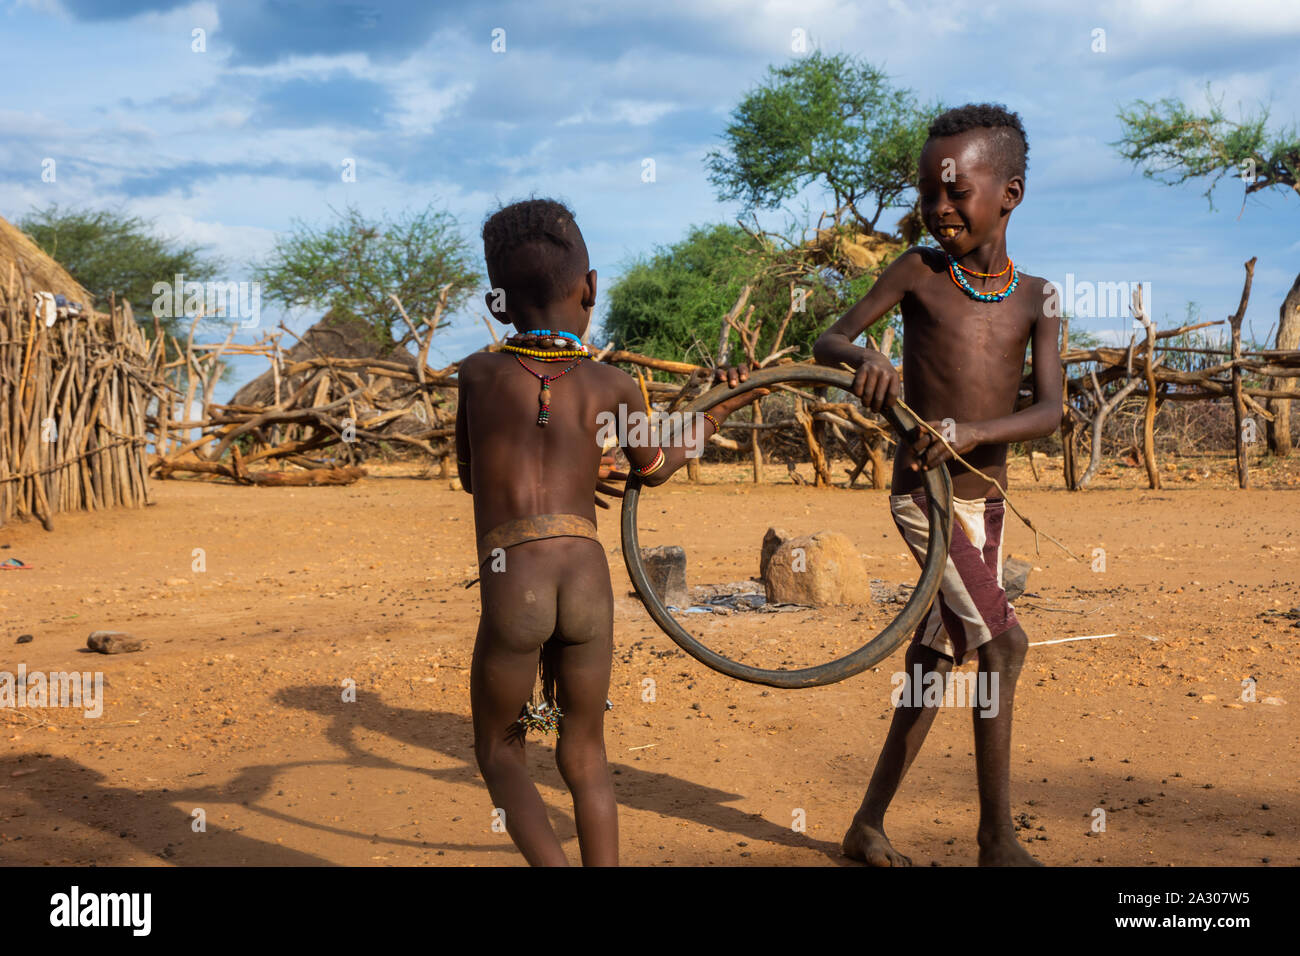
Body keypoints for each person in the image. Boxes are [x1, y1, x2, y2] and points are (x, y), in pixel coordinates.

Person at [456, 198, 764, 865]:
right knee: (586, 752)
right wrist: (726, 406)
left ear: (498, 302)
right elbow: (654, 468)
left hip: (517, 580)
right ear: (590, 287)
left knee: (500, 749)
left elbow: (471, 478)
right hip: (589, 573)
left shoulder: (477, 376)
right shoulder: (616, 385)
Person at [812, 104, 1062, 866]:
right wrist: (868, 364)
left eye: (956, 190)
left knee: (938, 658)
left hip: (986, 504)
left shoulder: (1039, 298)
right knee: (1005, 646)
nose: (939, 206)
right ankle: (996, 839)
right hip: (925, 497)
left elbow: (1052, 411)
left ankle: (866, 826)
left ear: (1010, 194)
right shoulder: (917, 271)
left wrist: (980, 433)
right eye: (929, 192)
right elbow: (829, 337)